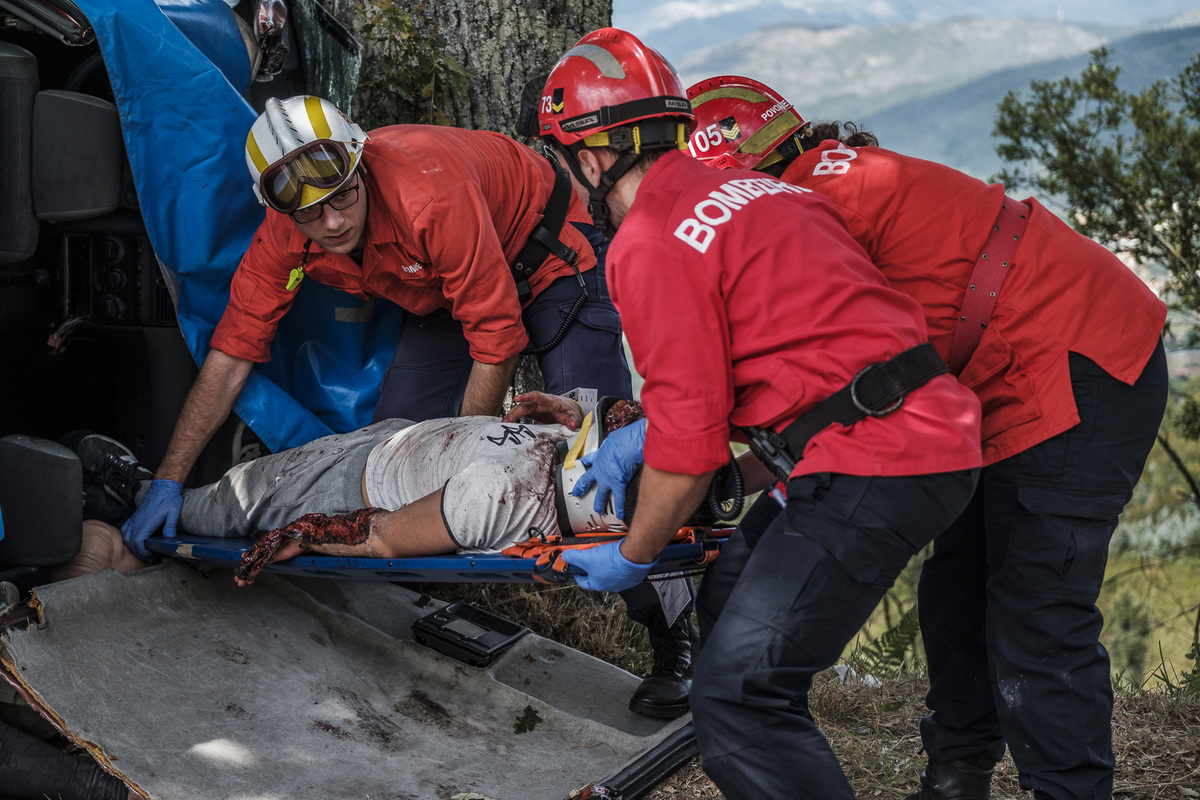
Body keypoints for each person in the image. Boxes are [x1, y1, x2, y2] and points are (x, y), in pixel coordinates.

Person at [685, 75, 1169, 800]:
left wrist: (688, 461)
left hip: (1082, 362)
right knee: (958, 584)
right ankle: (956, 777)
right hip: (1005, 374)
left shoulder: (809, 210)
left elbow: (820, 396)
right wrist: (738, 472)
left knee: (1038, 606)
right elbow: (835, 405)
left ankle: (1070, 791)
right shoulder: (820, 182)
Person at [535, 29, 983, 800]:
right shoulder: (766, 190)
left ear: (592, 157)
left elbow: (686, 444)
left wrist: (634, 553)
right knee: (729, 593)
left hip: (873, 458)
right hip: (910, 430)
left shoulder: (646, 241)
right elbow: (798, 350)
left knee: (739, 697)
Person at [121, 95, 632, 557]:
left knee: (595, 454)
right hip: (447, 292)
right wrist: (169, 479)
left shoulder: (427, 197)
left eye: (341, 196)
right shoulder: (285, 236)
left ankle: (663, 624)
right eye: (311, 213)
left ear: (361, 163)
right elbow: (231, 355)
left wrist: (459, 463)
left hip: (551, 253)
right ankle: (411, 591)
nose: (333, 224)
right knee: (394, 455)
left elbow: (495, 339)